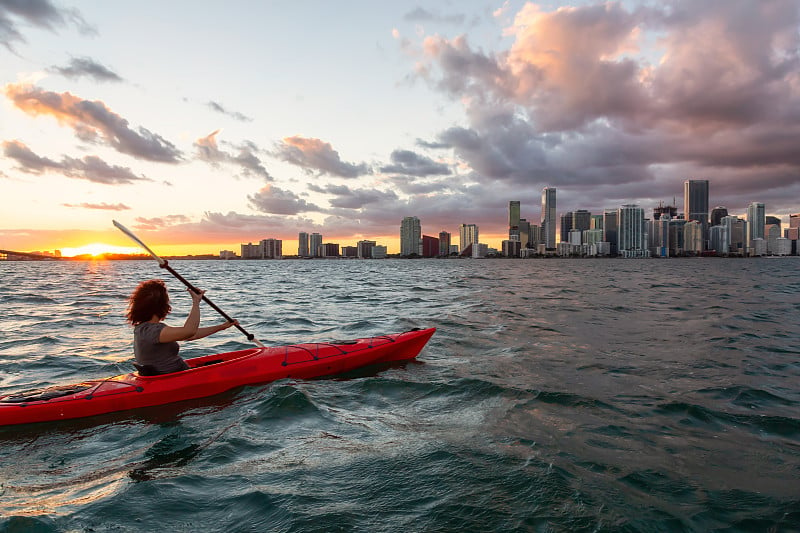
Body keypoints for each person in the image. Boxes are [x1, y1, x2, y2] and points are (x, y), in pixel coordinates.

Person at [126, 279, 236, 375]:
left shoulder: (143, 328)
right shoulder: (152, 331)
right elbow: (189, 331)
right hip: (176, 377)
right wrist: (196, 302)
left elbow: (191, 335)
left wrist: (222, 327)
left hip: (178, 373)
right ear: (162, 305)